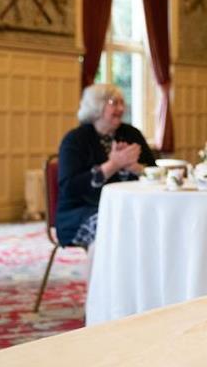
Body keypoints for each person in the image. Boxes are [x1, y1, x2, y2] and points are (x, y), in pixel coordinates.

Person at [56, 84, 156, 248]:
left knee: (153, 222)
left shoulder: (132, 134)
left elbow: (155, 172)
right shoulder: (75, 139)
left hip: (130, 208)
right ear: (97, 106)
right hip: (80, 212)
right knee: (111, 227)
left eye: (122, 103)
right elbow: (69, 186)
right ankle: (103, 274)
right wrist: (113, 165)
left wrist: (136, 168)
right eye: (114, 103)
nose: (121, 108)